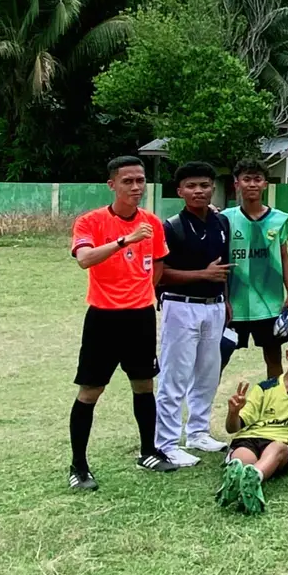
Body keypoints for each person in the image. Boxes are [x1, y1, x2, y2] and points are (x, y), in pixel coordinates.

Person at [67, 154, 176, 491]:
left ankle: (148, 451)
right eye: (127, 181)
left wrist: (143, 291)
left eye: (140, 180)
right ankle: (79, 465)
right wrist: (124, 240)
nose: (135, 187)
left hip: (141, 316)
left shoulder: (152, 223)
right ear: (111, 184)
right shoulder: (91, 222)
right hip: (103, 317)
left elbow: (158, 265)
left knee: (144, 385)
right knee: (91, 391)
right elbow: (84, 259)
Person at [154, 160, 232, 467]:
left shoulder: (220, 222)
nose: (198, 191)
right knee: (175, 375)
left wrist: (224, 299)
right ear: (180, 191)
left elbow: (223, 269)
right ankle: (167, 442)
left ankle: (198, 431)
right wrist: (202, 275)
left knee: (207, 374)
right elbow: (160, 275)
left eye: (204, 185)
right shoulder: (171, 227)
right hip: (180, 306)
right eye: (191, 186)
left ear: (214, 188)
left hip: (213, 307)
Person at [216, 331, 288, 516]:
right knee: (244, 461)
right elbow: (233, 428)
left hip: (282, 443)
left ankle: (252, 479)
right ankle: (242, 476)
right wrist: (233, 412)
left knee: (277, 448)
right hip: (249, 438)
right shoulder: (264, 388)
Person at [222, 158, 288, 380]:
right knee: (220, 357)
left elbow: (284, 258)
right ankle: (202, 411)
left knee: (273, 359)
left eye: (257, 179)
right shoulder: (225, 219)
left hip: (270, 305)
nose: (252, 184)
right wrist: (223, 299)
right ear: (237, 184)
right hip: (233, 306)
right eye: (246, 179)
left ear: (265, 184)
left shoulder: (279, 219)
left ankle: (275, 406)